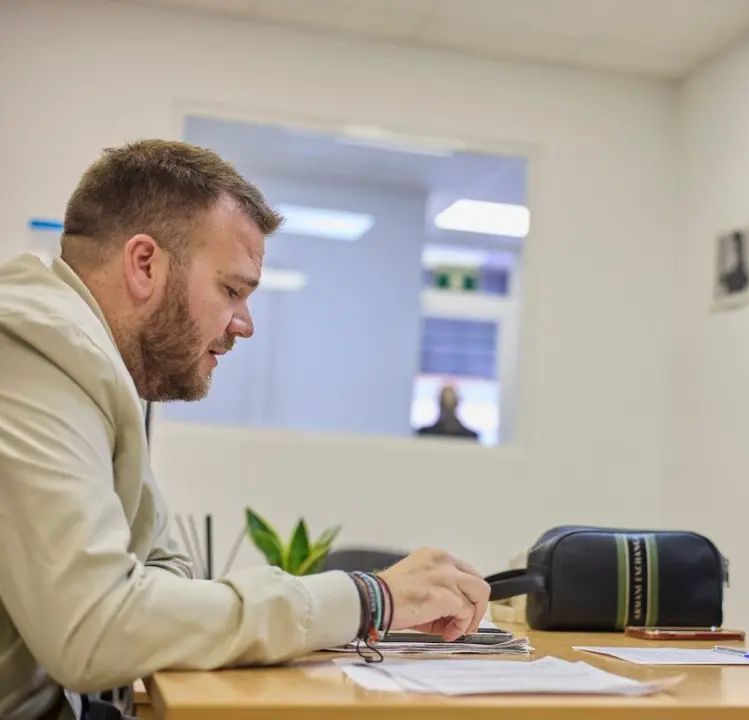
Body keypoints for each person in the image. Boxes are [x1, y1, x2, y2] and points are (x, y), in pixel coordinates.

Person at [0, 140, 490, 720]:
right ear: (144, 264)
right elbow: (98, 629)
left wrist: (155, 607)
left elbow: (165, 575)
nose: (246, 325)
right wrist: (368, 598)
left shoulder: (96, 365)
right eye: (232, 289)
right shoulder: (34, 346)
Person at [415, 384, 480, 441]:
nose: (448, 405)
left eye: (450, 402)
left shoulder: (471, 438)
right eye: (445, 402)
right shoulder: (424, 435)